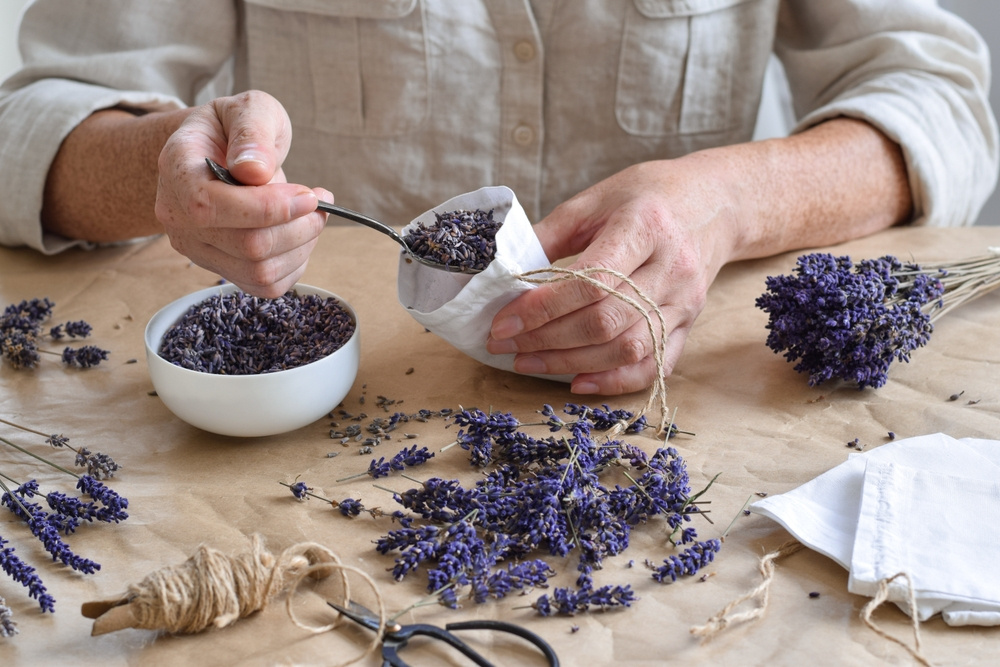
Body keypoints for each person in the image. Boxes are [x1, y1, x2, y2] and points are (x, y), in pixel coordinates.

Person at [0, 1, 996, 396]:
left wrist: (731, 197)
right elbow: (31, 123)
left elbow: (940, 97)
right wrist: (161, 172)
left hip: (697, 391)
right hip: (344, 395)